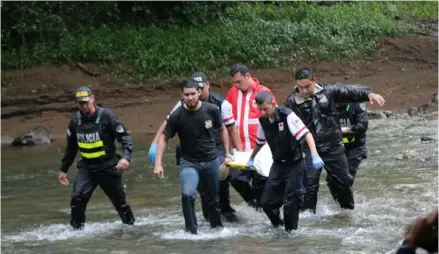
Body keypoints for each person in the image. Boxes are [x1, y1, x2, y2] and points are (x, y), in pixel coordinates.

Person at [285, 68, 386, 213]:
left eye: (307, 86)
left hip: (333, 146)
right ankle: (308, 219)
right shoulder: (292, 101)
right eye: (300, 87)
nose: (304, 90)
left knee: (343, 182)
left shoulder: (329, 92)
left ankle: (347, 212)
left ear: (315, 80)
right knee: (309, 186)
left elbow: (350, 92)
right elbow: (292, 127)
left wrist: (369, 94)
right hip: (309, 149)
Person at [148, 72, 241, 222]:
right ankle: (206, 216)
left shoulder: (219, 104)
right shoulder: (182, 105)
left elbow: (230, 128)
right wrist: (154, 143)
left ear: (205, 87)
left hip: (214, 147)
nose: (192, 96)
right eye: (188, 94)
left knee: (219, 181)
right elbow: (167, 125)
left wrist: (236, 152)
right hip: (189, 151)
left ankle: (226, 210)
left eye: (199, 89)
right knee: (199, 188)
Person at [58, 86, 135, 229]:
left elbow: (125, 138)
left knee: (120, 203)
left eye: (86, 102)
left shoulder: (107, 116)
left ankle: (131, 227)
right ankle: (76, 231)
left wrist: (126, 157)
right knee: (77, 198)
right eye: (80, 103)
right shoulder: (75, 121)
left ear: (93, 98)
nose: (84, 106)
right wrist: (63, 170)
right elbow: (71, 148)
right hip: (87, 168)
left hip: (109, 167)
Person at [247, 91, 324, 232]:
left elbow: (307, 134)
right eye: (260, 110)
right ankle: (278, 226)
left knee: (291, 203)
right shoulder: (263, 121)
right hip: (277, 164)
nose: (264, 112)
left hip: (295, 164)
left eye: (266, 108)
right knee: (266, 202)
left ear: (273, 104)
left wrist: (314, 154)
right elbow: (259, 142)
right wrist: (251, 158)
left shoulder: (287, 116)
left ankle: (291, 233)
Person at [226, 63, 278, 209]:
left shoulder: (263, 92)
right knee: (236, 179)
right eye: (234, 82)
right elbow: (227, 119)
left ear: (247, 76)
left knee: (259, 184)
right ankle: (254, 206)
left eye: (239, 81)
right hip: (240, 149)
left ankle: (262, 209)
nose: (237, 85)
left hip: (261, 149)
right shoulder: (233, 92)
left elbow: (275, 118)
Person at [335, 102, 368, 180]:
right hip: (336, 147)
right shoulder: (327, 104)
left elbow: (362, 126)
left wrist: (345, 130)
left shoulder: (356, 104)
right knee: (334, 179)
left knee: (347, 177)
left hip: (355, 146)